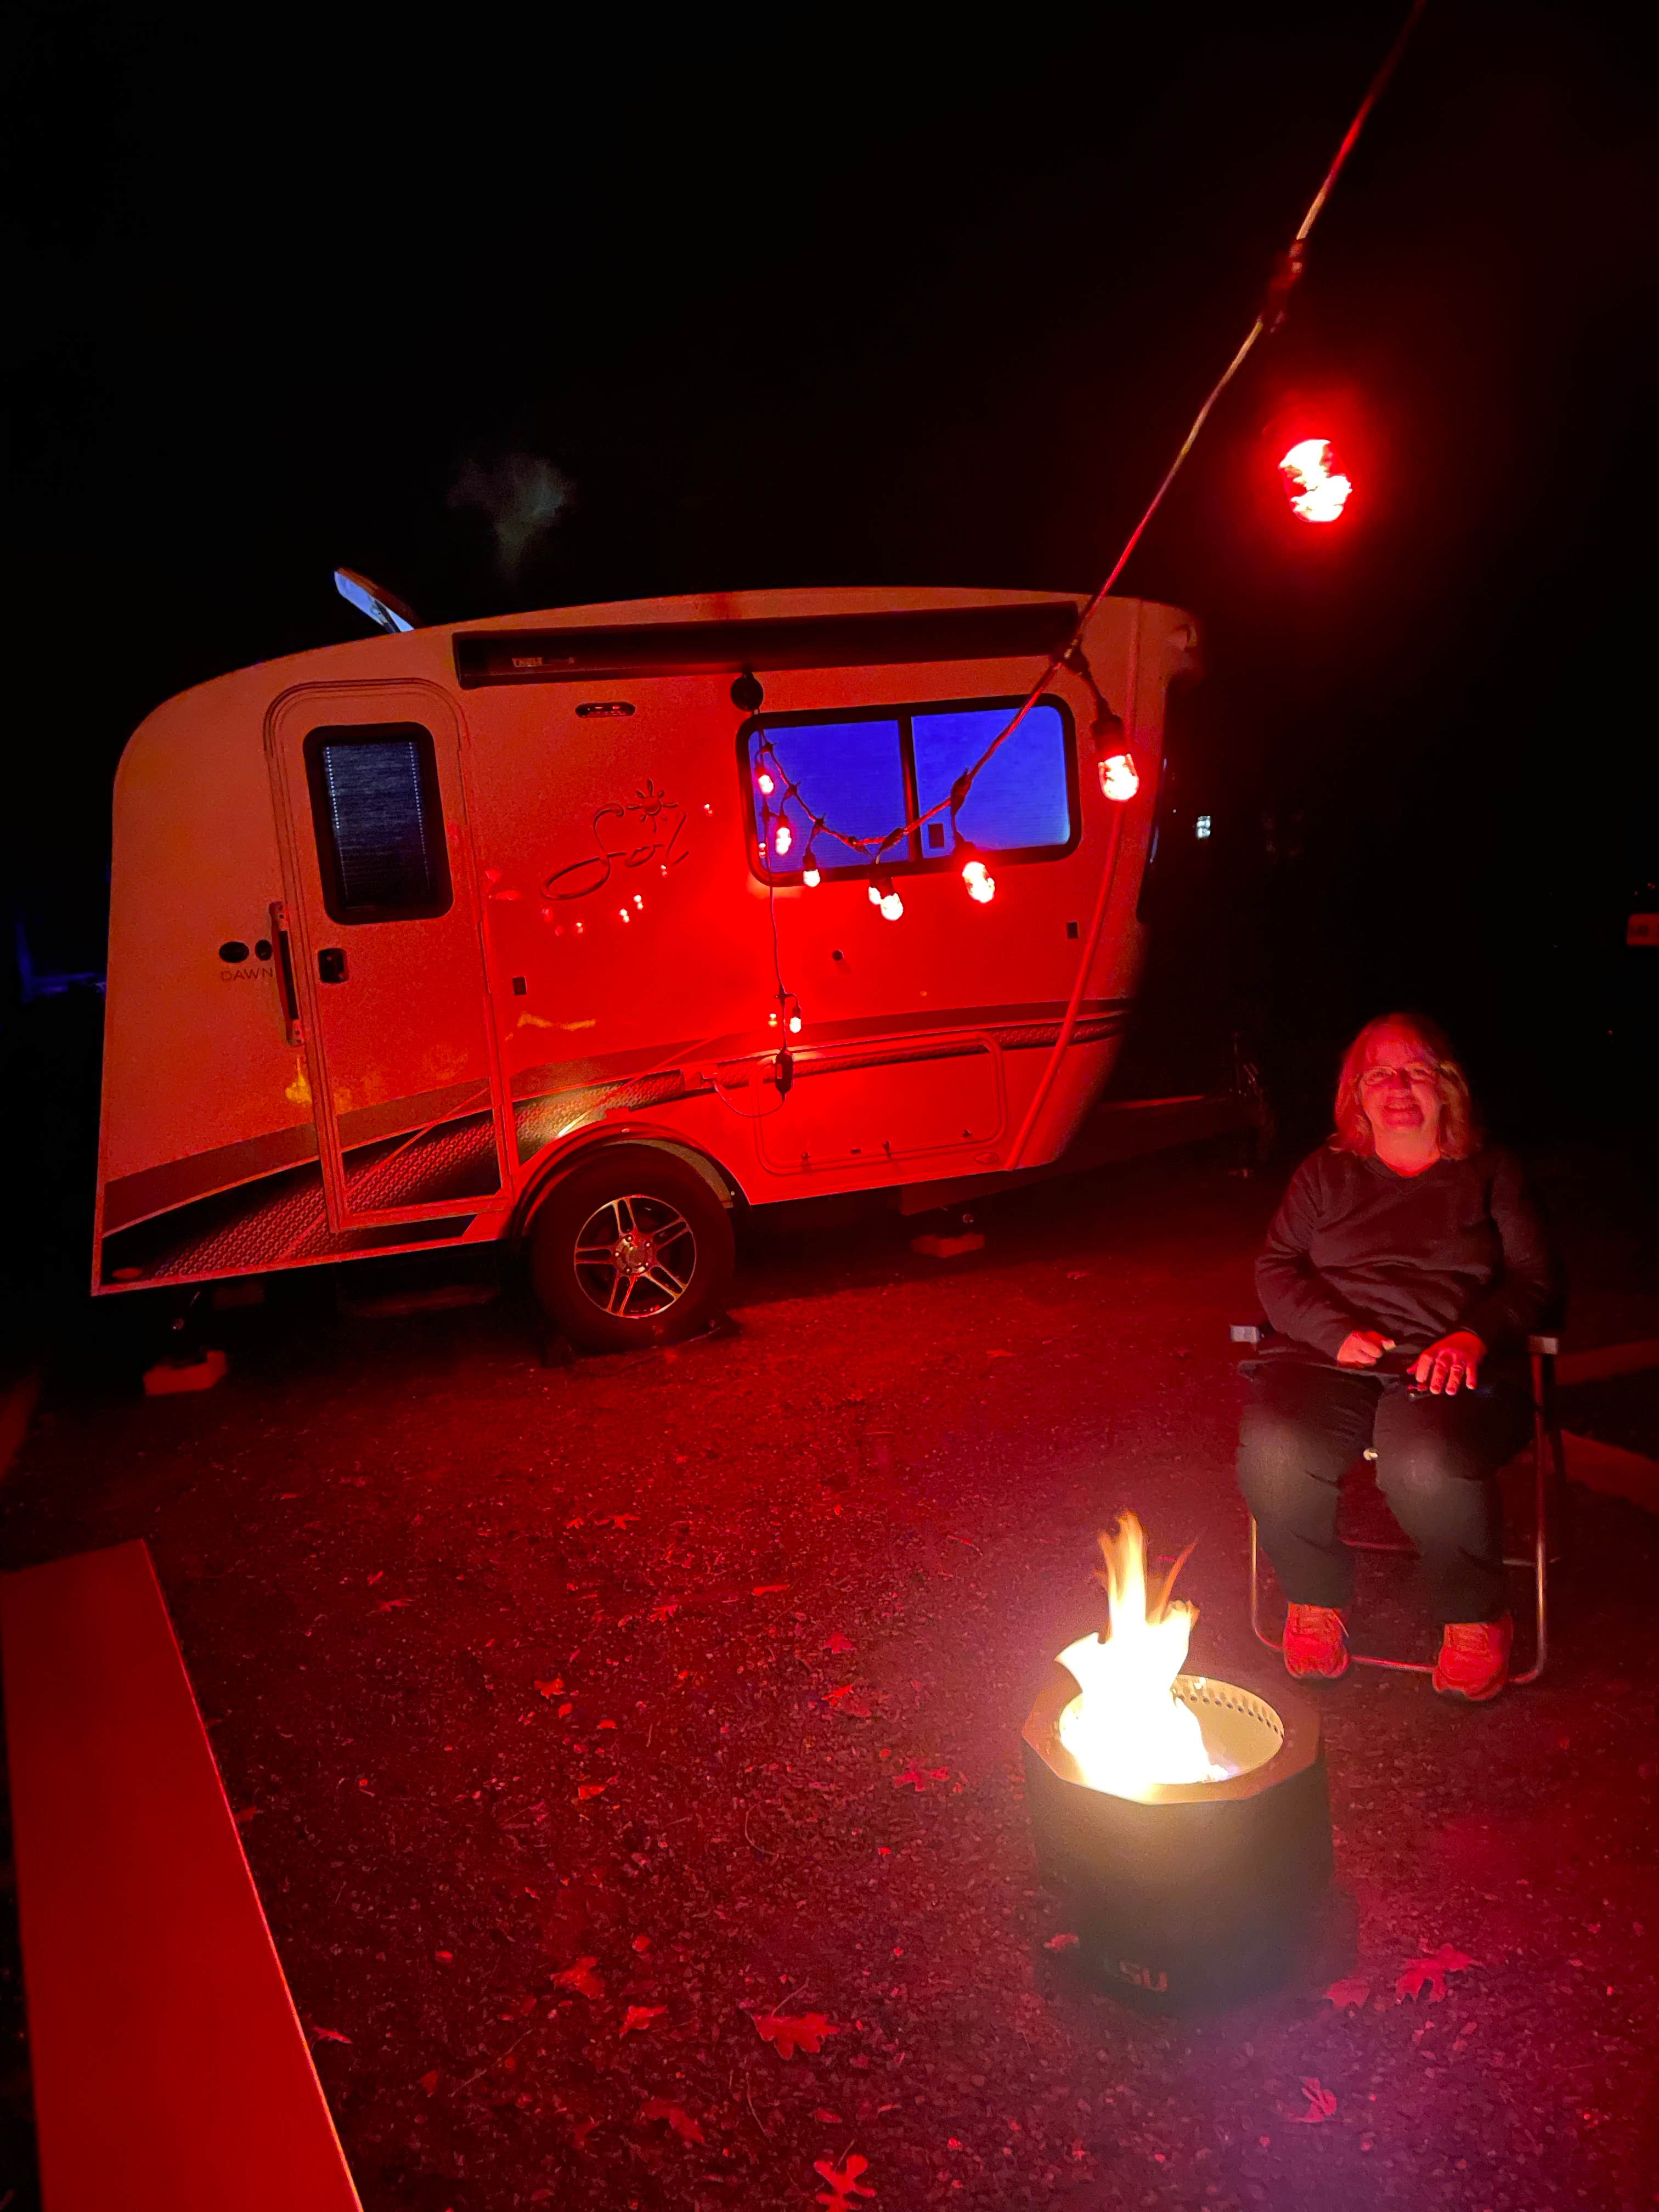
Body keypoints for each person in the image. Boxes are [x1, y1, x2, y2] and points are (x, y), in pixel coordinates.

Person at [1237, 1012, 1557, 1701]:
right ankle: (1314, 1597)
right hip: (1335, 1359)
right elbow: (1276, 1266)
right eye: (1379, 1074)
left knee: (1424, 1457)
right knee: (1274, 1444)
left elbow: (1533, 1279)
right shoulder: (1326, 1173)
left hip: (1450, 1361)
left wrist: (1474, 1335)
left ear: (1448, 1085)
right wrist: (1330, 1330)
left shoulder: (1490, 1172)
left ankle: (1475, 1615)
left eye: (1416, 1071)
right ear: (1356, 1092)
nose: (1398, 1088)